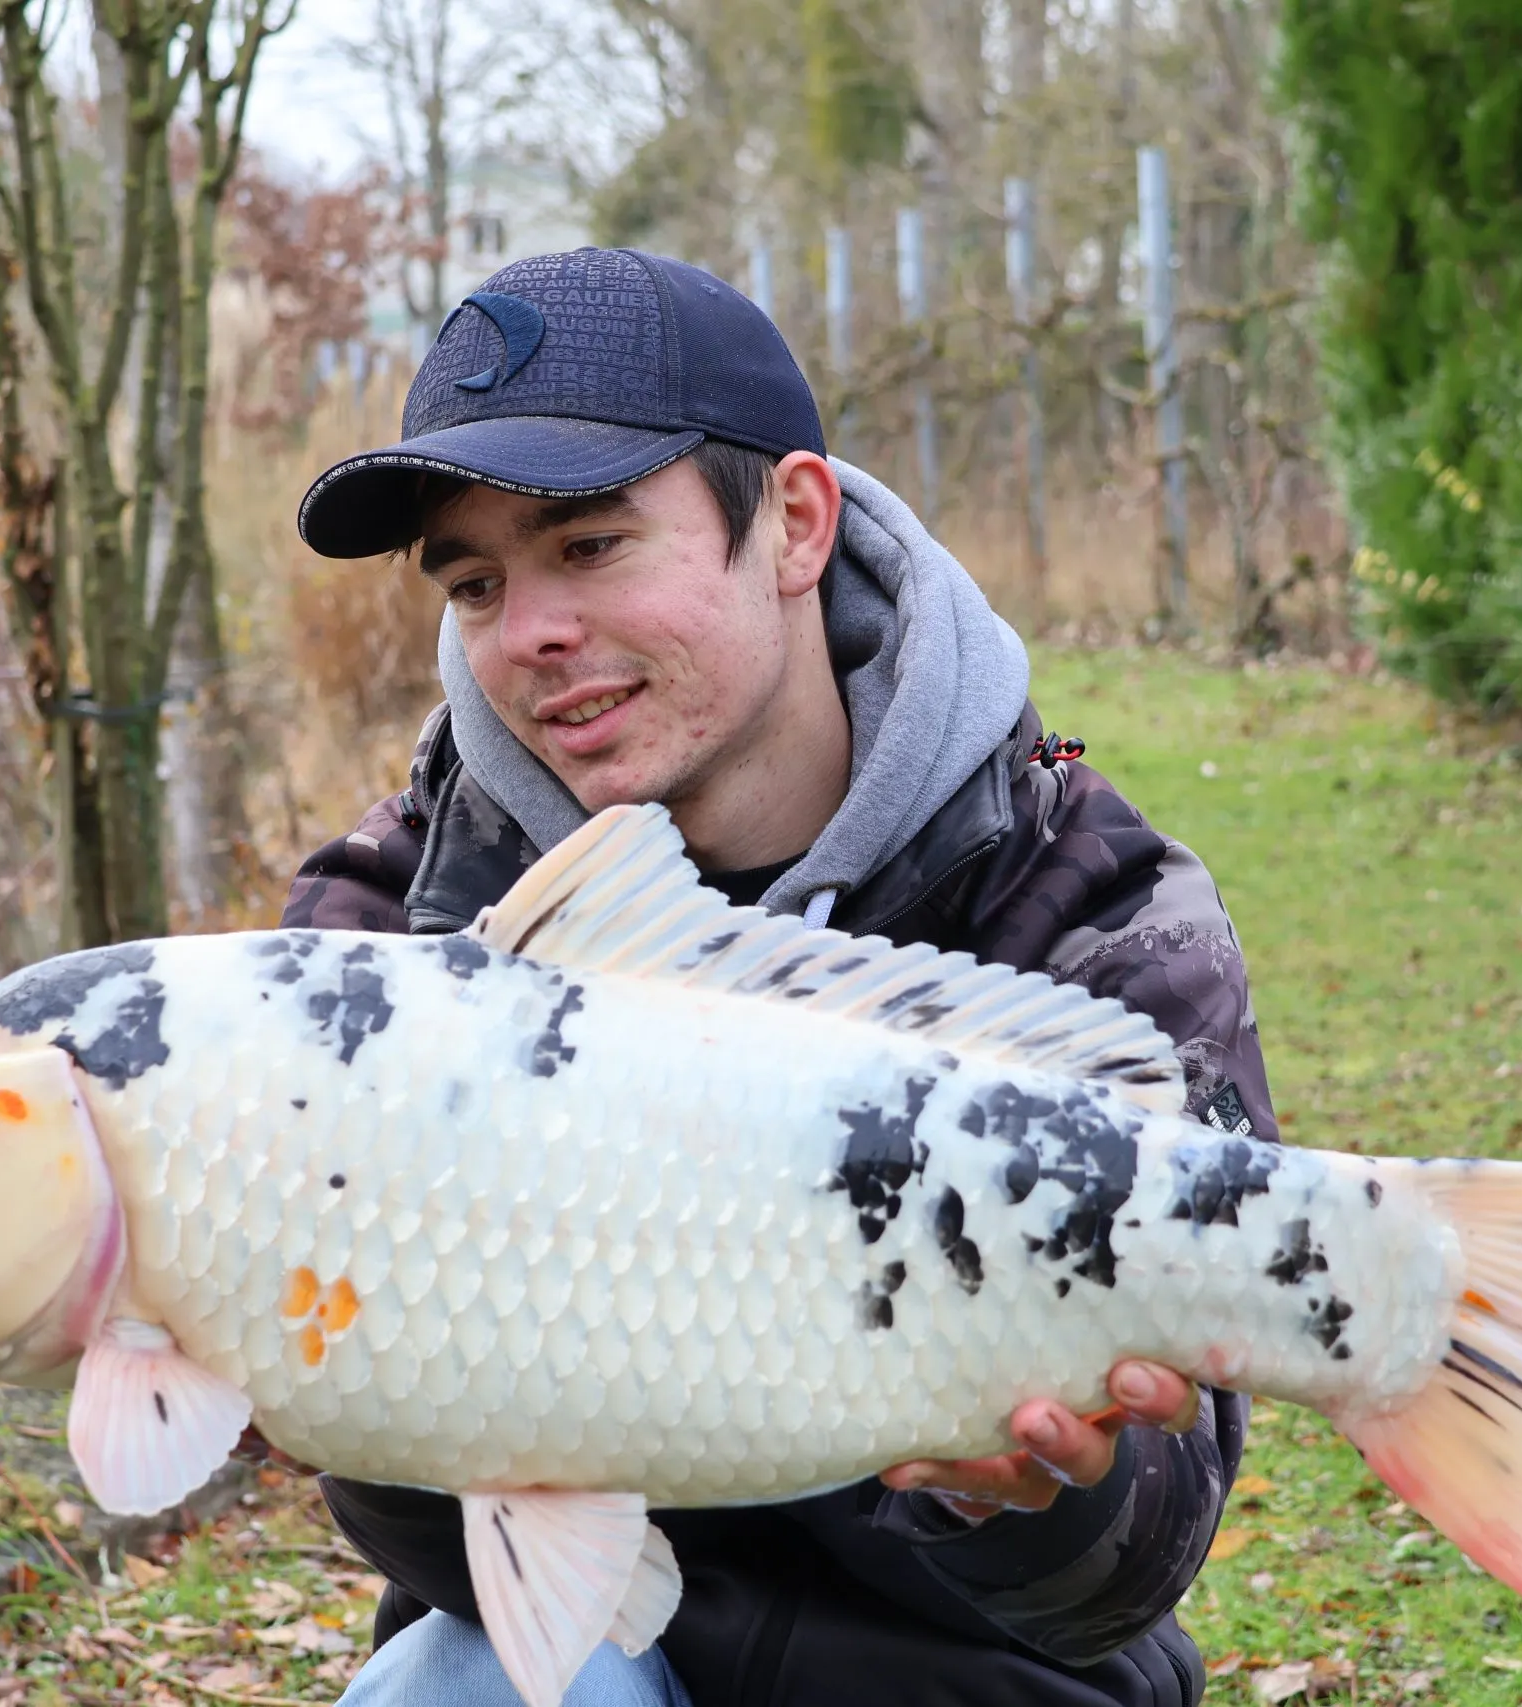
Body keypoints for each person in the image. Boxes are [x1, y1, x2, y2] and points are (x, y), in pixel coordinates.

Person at [279, 246, 1279, 1707]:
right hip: (579, 1663)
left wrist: (1047, 1490)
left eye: (591, 545)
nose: (533, 634)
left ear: (796, 524)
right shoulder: (398, 922)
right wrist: (324, 1385)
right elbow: (427, 1537)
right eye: (479, 581)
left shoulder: (1090, 901)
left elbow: (1142, 1551)